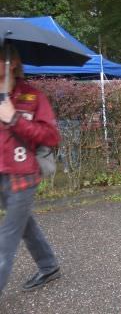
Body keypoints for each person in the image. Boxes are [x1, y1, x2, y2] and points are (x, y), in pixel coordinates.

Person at [0, 44, 62, 296]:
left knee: (7, 236)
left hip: (23, 177)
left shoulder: (33, 97)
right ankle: (49, 266)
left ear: (11, 62)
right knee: (24, 225)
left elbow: (52, 136)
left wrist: (13, 118)